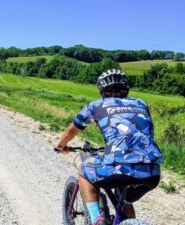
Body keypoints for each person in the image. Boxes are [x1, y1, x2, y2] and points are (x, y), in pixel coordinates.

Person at [55, 69, 162, 225]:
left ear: (101, 89)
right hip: (152, 172)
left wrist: (60, 146)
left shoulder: (96, 105)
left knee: (84, 170)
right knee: (123, 200)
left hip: (117, 166)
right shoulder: (141, 103)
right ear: (126, 88)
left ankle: (96, 219)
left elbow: (72, 129)